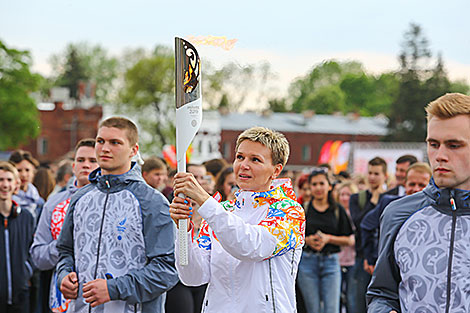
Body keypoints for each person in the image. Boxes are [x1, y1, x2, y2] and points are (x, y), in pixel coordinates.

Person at [170, 126, 305, 313]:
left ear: (276, 170)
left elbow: (251, 246)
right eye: (240, 157)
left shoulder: (289, 212)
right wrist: (183, 230)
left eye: (255, 160)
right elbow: (193, 276)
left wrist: (205, 201)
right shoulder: (223, 211)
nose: (244, 165)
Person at [56, 117, 178, 313]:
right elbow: (65, 251)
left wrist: (114, 289)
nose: (105, 148)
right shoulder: (80, 198)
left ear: (134, 150)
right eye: (100, 141)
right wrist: (64, 275)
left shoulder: (151, 201)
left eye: (115, 143)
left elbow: (167, 269)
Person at [367, 93, 470, 312]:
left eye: (453, 145)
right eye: (434, 144)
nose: (440, 155)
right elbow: (381, 294)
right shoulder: (398, 213)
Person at [30, 138, 99, 313]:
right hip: (64, 299)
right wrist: (65, 244)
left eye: (93, 160)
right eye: (81, 160)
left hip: (103, 298)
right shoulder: (54, 203)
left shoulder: (113, 201)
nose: (86, 165)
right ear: (73, 165)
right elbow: (38, 256)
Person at [297, 168, 354, 313]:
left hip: (331, 262)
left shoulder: (337, 210)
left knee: (332, 308)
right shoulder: (304, 209)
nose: (318, 188)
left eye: (321, 183)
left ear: (329, 186)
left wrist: (328, 239)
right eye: (314, 184)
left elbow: (349, 239)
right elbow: (293, 237)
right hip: (307, 262)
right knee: (312, 308)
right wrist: (307, 240)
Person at [360, 162, 432, 271]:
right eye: (412, 184)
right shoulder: (390, 205)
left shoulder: (438, 210)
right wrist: (372, 258)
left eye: (422, 185)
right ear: (405, 184)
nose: (416, 189)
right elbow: (366, 225)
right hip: (393, 268)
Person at [349, 156, 388, 313]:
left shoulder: (390, 198)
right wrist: (373, 202)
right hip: (361, 257)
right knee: (357, 303)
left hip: (384, 258)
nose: (372, 177)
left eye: (376, 173)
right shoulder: (357, 198)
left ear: (385, 175)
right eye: (370, 173)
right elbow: (359, 222)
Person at [0, 161, 35, 313]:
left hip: (21, 295)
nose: (5, 185)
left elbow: (32, 251)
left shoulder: (27, 217)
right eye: (0, 180)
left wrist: (26, 273)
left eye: (9, 180)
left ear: (16, 184)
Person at [336, 181, 359, 313]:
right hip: (337, 260)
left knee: (352, 298)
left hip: (352, 260)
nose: (344, 197)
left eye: (348, 194)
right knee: (337, 297)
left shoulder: (356, 214)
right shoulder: (336, 212)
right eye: (342, 194)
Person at [9, 150, 43, 221]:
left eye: (27, 170)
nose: (23, 175)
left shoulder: (39, 201)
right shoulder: (6, 200)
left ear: (33, 172)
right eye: (19, 170)